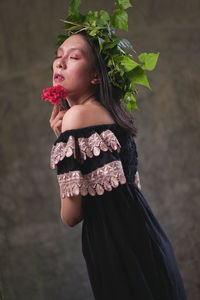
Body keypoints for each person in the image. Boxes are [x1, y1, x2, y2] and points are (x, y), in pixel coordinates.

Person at [48, 31, 187, 300]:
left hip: (116, 247)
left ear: (96, 75)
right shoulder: (108, 114)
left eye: (73, 57)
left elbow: (71, 216)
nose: (60, 63)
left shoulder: (76, 116)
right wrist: (64, 141)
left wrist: (65, 143)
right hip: (144, 237)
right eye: (58, 56)